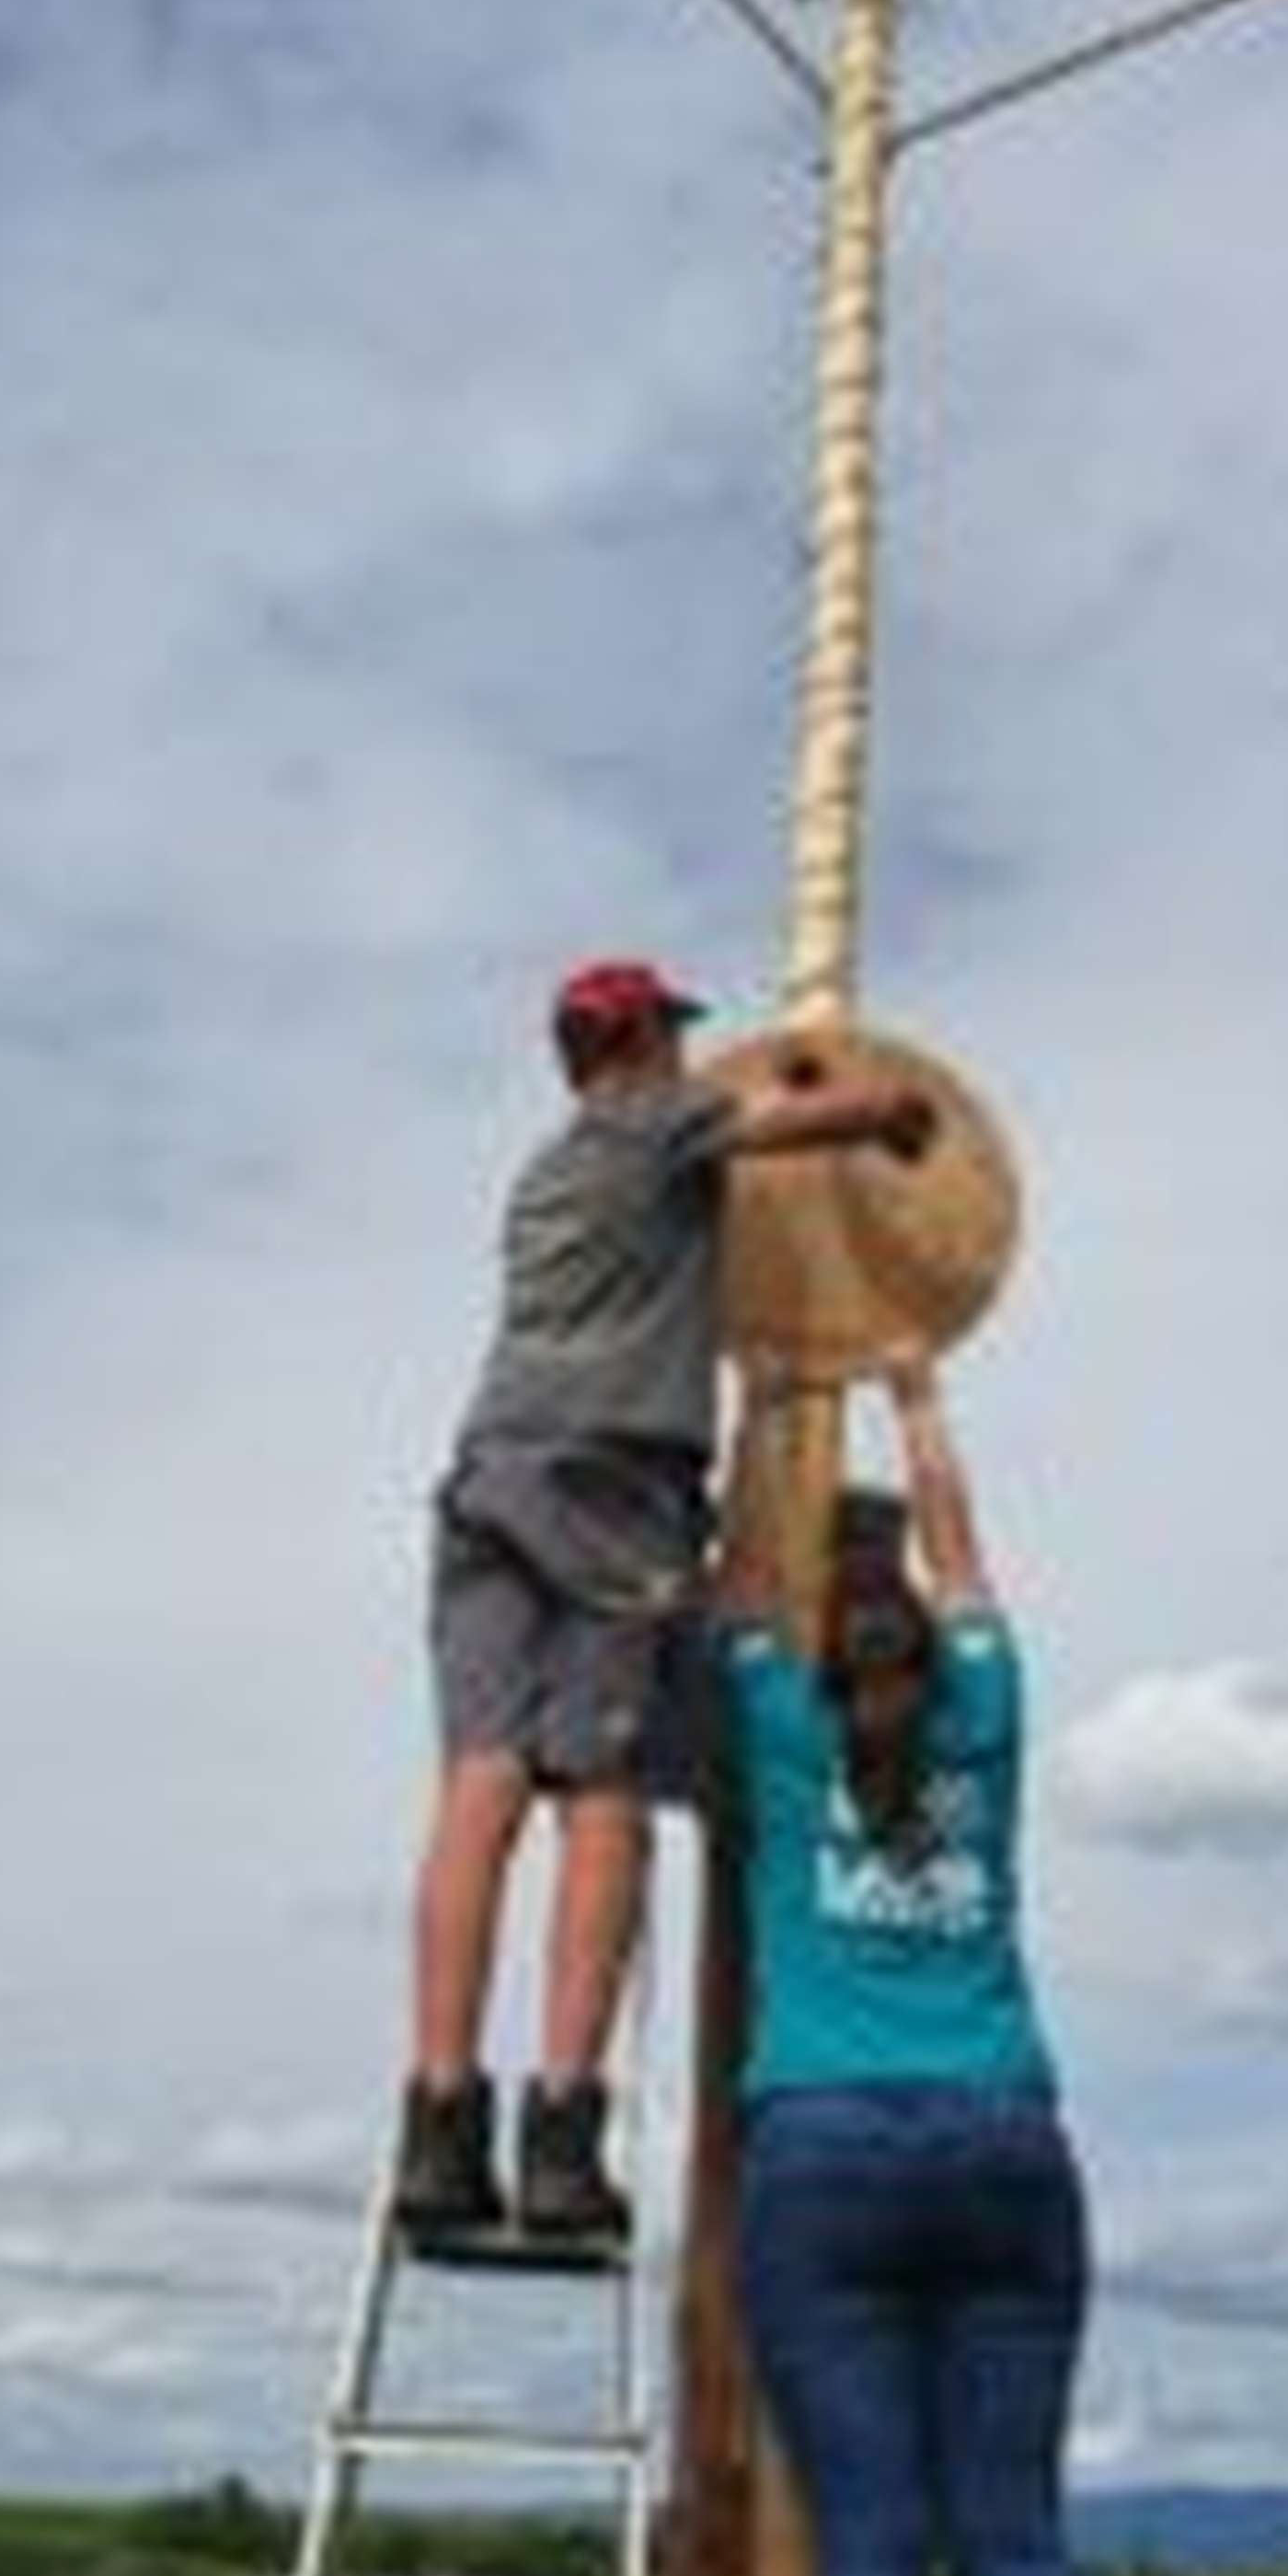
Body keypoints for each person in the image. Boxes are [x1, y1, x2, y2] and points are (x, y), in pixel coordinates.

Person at [395, 956, 934, 2248]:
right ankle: (565, 2140)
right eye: (677, 1038)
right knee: (605, 1804)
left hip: (487, 1484)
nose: (695, 1058)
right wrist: (896, 1116)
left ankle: (439, 2118)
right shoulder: (656, 1122)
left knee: (480, 1784)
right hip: (614, 1488)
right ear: (637, 1046)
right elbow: (793, 1119)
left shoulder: (550, 1168)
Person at [720, 1350, 1115, 2576]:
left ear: (819, 1618)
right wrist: (919, 1395)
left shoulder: (766, 1707)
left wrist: (768, 1403)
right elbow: (964, 1561)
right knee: (1015, 2547)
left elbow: (744, 1576)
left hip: (823, 2155)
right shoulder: (991, 1703)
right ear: (921, 1617)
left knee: (870, 2558)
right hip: (1007, 2147)